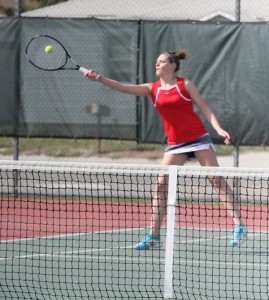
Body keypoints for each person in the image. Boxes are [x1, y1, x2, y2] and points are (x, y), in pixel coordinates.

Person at [84, 50, 247, 249]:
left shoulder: (184, 85)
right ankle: (153, 237)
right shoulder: (153, 89)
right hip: (175, 144)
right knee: (161, 185)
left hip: (197, 138)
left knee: (216, 180)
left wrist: (219, 129)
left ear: (172, 65)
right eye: (156, 62)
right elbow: (124, 87)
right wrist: (99, 78)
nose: (157, 64)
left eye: (161, 62)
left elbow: (205, 108)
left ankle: (239, 226)